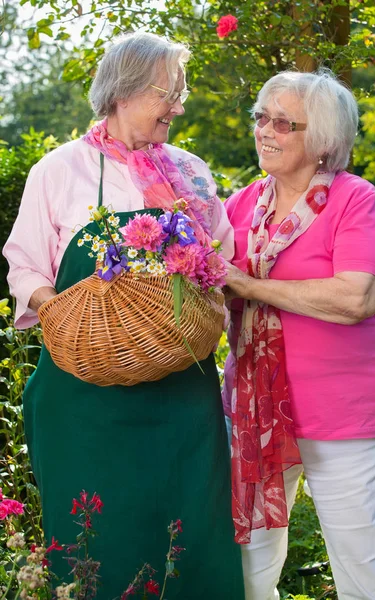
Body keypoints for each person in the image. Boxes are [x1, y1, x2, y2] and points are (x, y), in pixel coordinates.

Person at [3, 32, 245, 599]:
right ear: (126, 91)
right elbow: (25, 267)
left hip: (180, 399)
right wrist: (59, 308)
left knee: (191, 543)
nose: (180, 107)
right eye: (171, 92)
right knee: (97, 548)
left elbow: (223, 263)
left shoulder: (192, 173)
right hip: (85, 401)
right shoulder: (58, 170)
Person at [222, 69, 375, 600]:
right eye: (261, 117)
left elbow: (356, 298)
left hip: (341, 417)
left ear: (321, 140)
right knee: (248, 573)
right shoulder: (239, 206)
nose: (264, 130)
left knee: (363, 576)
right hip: (254, 413)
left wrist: (248, 284)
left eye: (283, 122)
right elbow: (213, 295)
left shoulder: (353, 200)